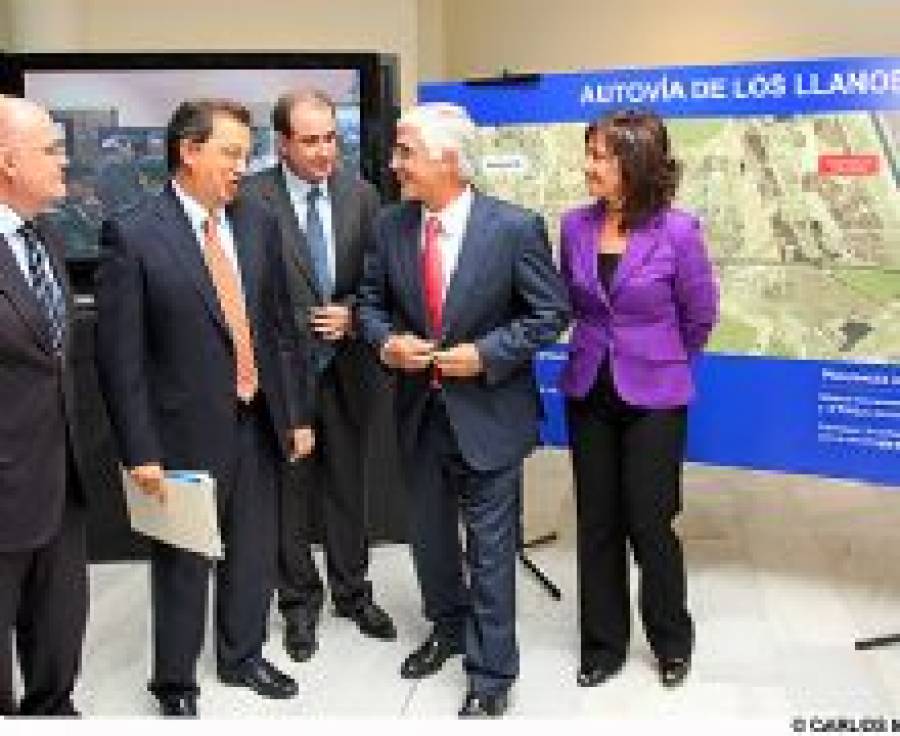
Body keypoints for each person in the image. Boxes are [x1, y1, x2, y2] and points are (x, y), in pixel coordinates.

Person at [95, 98, 315, 717]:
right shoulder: (134, 233)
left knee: (253, 549)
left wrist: (296, 414)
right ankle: (175, 683)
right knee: (184, 562)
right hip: (181, 434)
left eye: (246, 155)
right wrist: (139, 450)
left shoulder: (257, 223)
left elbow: (279, 329)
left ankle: (242, 656)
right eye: (230, 153)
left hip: (258, 417)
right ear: (189, 152)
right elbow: (121, 358)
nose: (242, 167)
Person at [357, 103, 570, 718]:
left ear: (449, 159)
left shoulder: (513, 228)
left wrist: (486, 355)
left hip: (490, 416)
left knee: (491, 548)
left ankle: (492, 671)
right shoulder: (391, 227)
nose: (395, 166)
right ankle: (446, 629)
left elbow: (549, 314)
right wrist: (385, 342)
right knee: (428, 539)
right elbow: (370, 304)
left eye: (406, 154)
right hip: (417, 415)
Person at [559, 109, 718, 689]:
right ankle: (603, 646)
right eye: (590, 152)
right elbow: (574, 303)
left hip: (654, 399)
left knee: (651, 525)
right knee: (596, 522)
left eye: (601, 155)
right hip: (587, 391)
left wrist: (662, 363)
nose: (589, 165)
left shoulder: (678, 231)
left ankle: (671, 640)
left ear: (636, 162)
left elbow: (699, 318)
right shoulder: (574, 225)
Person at [242, 89, 395, 664]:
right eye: (310, 140)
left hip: (349, 369)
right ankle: (299, 605)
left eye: (331, 137)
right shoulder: (253, 199)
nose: (325, 151)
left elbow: (380, 278)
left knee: (348, 487)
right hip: (283, 374)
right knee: (290, 493)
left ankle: (353, 594)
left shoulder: (363, 195)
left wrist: (356, 312)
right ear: (282, 143)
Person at [0, 95, 89, 716]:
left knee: (58, 632)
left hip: (60, 481)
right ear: (7, 162)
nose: (67, 161)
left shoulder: (46, 237)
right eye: (52, 149)